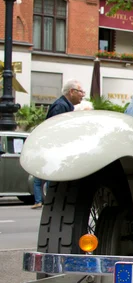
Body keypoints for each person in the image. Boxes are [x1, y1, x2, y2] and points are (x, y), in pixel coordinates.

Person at [31, 79, 85, 209]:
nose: (83, 95)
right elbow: (56, 130)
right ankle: (53, 203)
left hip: (56, 151)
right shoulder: (61, 106)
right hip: (55, 152)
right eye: (81, 91)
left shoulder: (63, 105)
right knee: (54, 180)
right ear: (72, 92)